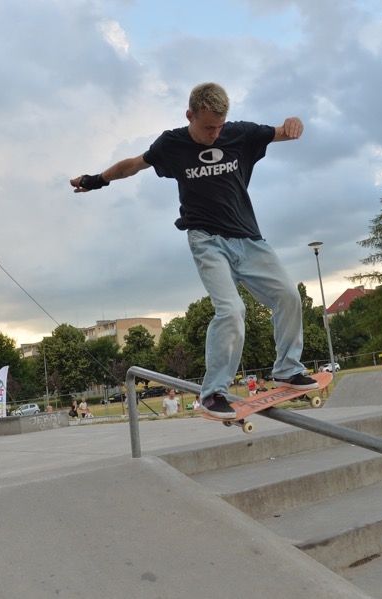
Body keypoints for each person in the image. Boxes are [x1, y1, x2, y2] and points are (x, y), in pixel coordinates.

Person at [71, 82, 317, 420]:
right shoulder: (171, 144)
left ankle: (287, 369)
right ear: (190, 115)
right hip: (206, 240)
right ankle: (214, 391)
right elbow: (133, 165)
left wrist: (294, 124)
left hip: (249, 239)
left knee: (289, 296)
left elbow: (283, 132)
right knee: (231, 310)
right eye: (207, 127)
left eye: (219, 126)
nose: (215, 134)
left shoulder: (240, 134)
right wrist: (96, 179)